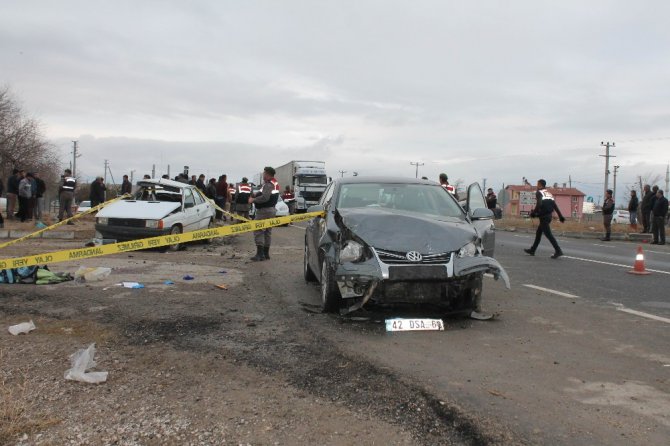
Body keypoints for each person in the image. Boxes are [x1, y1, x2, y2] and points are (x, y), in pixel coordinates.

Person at [524, 179, 566, 259]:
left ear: (540, 185)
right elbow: (554, 205)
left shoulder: (539, 192)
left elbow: (539, 204)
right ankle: (532, 250)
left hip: (544, 217)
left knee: (549, 235)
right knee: (538, 233)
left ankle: (558, 250)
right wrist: (560, 216)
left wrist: (534, 213)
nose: (537, 186)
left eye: (537, 184)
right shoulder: (548, 193)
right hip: (548, 216)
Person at [249, 167, 279, 261]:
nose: (263, 175)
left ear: (267, 174)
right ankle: (266, 254)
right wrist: (256, 194)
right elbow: (263, 193)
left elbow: (265, 198)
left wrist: (253, 199)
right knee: (267, 232)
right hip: (271, 210)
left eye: (264, 173)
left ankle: (260, 254)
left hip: (264, 211)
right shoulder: (273, 183)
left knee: (258, 230)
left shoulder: (268, 184)